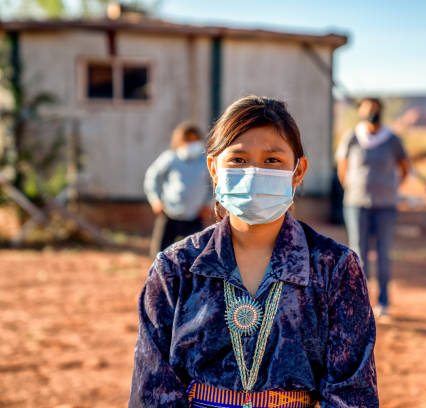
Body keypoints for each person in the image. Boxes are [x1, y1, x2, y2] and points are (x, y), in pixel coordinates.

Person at [129, 96, 378, 407]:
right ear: (214, 168)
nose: (253, 173)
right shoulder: (175, 268)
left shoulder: (334, 267)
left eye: (272, 161)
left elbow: (351, 394)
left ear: (298, 172)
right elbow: (152, 392)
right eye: (238, 160)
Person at [335, 98, 410, 320]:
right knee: (359, 253)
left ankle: (384, 301)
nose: (371, 113)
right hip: (357, 204)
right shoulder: (352, 138)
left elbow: (405, 167)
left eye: (375, 109)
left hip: (386, 205)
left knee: (384, 252)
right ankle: (360, 303)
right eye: (367, 109)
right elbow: (343, 167)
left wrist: (391, 188)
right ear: (360, 112)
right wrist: (352, 188)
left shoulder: (392, 140)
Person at [144, 122, 213, 257]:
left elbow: (214, 184)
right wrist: (155, 200)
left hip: (194, 215)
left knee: (196, 255)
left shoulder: (205, 161)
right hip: (170, 214)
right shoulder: (170, 158)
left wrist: (208, 204)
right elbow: (152, 178)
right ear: (180, 141)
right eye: (188, 140)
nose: (192, 143)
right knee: (160, 254)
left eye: (195, 139)